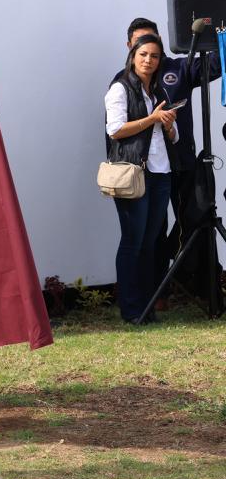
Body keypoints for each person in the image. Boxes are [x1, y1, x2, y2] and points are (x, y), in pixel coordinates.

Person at [116, 18, 220, 308]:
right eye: (140, 46)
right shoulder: (123, 83)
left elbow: (214, 64)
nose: (148, 54)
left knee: (196, 222)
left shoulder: (179, 68)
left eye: (152, 45)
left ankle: (202, 288)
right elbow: (115, 131)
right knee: (153, 233)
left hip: (182, 163)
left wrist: (218, 33)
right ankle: (155, 294)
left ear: (160, 43)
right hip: (148, 171)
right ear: (130, 48)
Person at [104, 33, 179, 324]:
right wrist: (151, 119)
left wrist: (169, 125)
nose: (149, 60)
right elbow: (115, 130)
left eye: (154, 56)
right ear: (133, 56)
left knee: (150, 243)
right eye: (143, 54)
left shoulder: (158, 91)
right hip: (134, 173)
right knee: (133, 242)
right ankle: (131, 309)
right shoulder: (120, 88)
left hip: (161, 173)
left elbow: (172, 136)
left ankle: (147, 307)